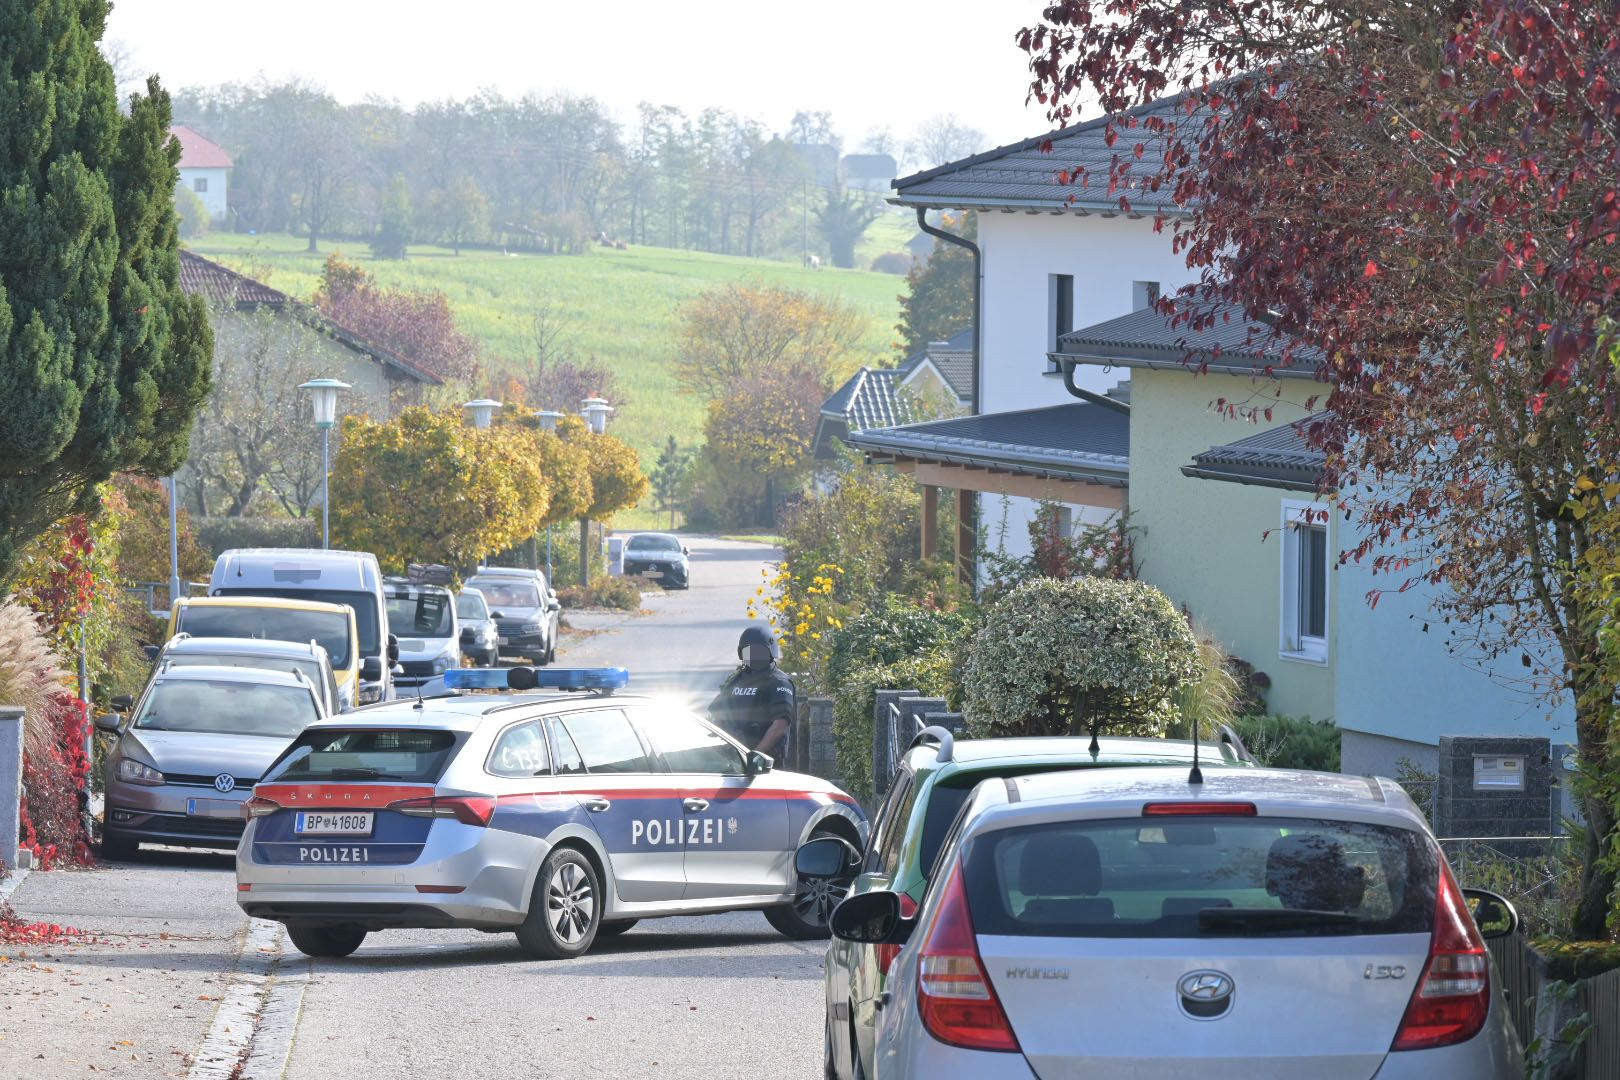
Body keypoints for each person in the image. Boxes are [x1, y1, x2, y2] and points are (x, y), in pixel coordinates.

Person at [708, 625, 796, 760]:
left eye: (759, 651)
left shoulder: (778, 682)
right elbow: (717, 714)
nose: (755, 656)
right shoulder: (737, 680)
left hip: (765, 763)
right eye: (749, 652)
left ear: (770, 652)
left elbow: (780, 725)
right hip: (732, 759)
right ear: (742, 654)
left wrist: (754, 756)